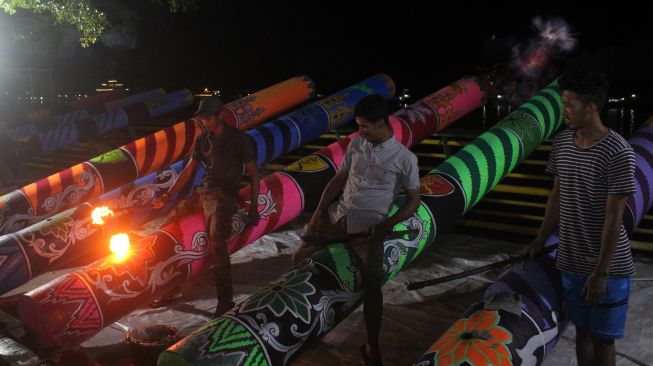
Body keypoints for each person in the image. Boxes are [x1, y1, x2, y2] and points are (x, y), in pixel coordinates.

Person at [291, 94, 421, 366]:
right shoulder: (356, 144)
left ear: (381, 122)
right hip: (338, 216)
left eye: (364, 126)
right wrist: (317, 215)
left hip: (370, 224)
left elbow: (413, 200)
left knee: (372, 286)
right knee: (298, 260)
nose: (360, 131)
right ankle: (311, 323)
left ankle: (372, 346)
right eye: (358, 126)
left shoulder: (405, 158)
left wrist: (386, 225)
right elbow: (339, 179)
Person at [524, 71, 636, 366]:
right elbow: (556, 197)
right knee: (583, 332)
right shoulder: (562, 142)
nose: (564, 111)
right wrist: (539, 239)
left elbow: (615, 217)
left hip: (607, 268)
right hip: (569, 262)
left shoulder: (618, 151)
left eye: (570, 104)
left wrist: (600, 273)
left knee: (603, 339)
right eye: (563, 103)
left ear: (591, 107)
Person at [154, 96, 260, 318]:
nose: (204, 120)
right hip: (203, 192)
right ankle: (170, 288)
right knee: (166, 231)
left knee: (217, 242)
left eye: (208, 116)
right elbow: (189, 170)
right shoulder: (203, 140)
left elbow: (254, 173)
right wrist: (167, 195)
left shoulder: (240, 140)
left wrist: (254, 208)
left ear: (220, 115)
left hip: (224, 196)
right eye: (202, 116)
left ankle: (225, 300)